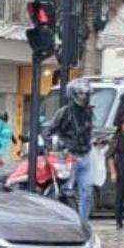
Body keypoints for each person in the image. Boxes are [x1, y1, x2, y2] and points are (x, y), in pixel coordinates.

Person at [47, 79, 98, 221]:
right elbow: (49, 130)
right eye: (81, 93)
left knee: (87, 191)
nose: (84, 97)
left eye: (86, 94)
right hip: (69, 156)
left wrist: (95, 140)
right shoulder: (64, 112)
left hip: (85, 154)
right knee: (67, 190)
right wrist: (56, 145)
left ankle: (82, 222)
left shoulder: (89, 112)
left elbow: (90, 131)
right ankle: (67, 220)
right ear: (73, 94)